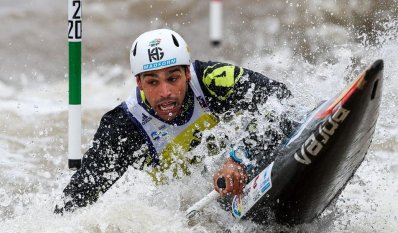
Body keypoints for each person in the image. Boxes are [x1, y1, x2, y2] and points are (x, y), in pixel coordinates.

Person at [54, 28, 295, 213]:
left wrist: (239, 159)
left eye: (173, 78)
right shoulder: (124, 127)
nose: (165, 92)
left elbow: (280, 99)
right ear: (138, 83)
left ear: (187, 73)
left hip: (247, 164)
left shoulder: (213, 80)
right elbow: (78, 198)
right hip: (202, 203)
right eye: (152, 82)